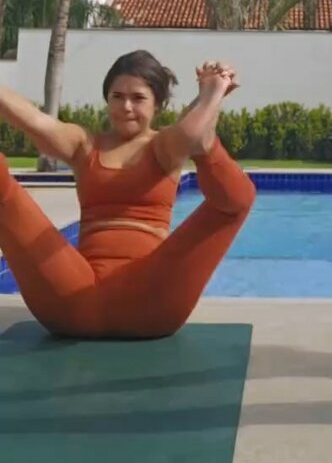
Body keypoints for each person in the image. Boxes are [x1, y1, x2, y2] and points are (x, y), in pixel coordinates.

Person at [0, 51, 256, 339]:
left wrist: (211, 95)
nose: (126, 107)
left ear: (158, 104)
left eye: (138, 98)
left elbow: (191, 134)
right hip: (73, 300)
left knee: (237, 197)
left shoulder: (163, 146)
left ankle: (206, 120)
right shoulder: (85, 145)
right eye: (117, 96)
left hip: (150, 301)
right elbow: (35, 122)